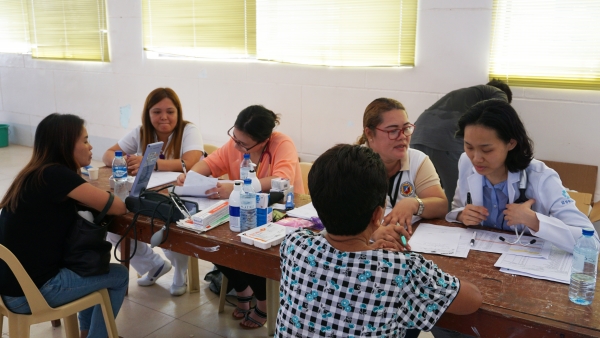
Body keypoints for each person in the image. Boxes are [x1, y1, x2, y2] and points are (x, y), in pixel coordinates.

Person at [275, 144, 483, 337]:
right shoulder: (401, 268)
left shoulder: (294, 245)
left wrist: (370, 240)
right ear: (378, 216)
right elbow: (472, 300)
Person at [0, 113, 129, 338]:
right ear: (65, 145)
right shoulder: (58, 176)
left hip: (8, 287)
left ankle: (86, 332)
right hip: (32, 293)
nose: (90, 147)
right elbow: (118, 207)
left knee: (91, 269)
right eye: (85, 140)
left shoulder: (35, 174)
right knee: (119, 275)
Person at [176, 105, 304, 329]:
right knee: (211, 239)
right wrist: (192, 177)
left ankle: (263, 303)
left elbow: (281, 180)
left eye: (243, 143)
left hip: (279, 214)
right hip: (241, 213)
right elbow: (210, 163)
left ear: (263, 141)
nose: (236, 146)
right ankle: (243, 289)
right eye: (234, 137)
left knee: (251, 250)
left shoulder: (282, 144)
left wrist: (238, 187)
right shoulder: (236, 144)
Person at [447, 99, 597, 254]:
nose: (476, 158)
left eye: (486, 150)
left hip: (526, 263)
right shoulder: (466, 162)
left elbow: (591, 242)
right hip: (480, 257)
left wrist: (534, 221)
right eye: (469, 147)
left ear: (511, 143)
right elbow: (457, 208)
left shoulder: (542, 177)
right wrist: (461, 215)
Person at [102, 87, 204, 296]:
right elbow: (107, 154)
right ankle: (153, 264)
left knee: (168, 228)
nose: (163, 117)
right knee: (115, 226)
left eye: (170, 111)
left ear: (178, 113)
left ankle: (180, 272)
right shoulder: (141, 132)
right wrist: (125, 161)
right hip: (145, 194)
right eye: (157, 112)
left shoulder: (188, 130)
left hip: (178, 195)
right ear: (148, 114)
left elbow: (190, 162)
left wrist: (151, 163)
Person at [410, 79, 512, 209]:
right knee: (456, 199)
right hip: (446, 141)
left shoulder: (466, 94)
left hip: (417, 136)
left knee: (429, 195)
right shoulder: (498, 93)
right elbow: (500, 118)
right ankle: (446, 228)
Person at [357, 98, 448, 236]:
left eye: (406, 128)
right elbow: (336, 212)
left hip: (406, 240)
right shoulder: (352, 162)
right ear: (370, 134)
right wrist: (372, 232)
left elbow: (442, 206)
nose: (403, 137)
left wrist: (414, 204)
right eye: (393, 131)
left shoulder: (417, 160)